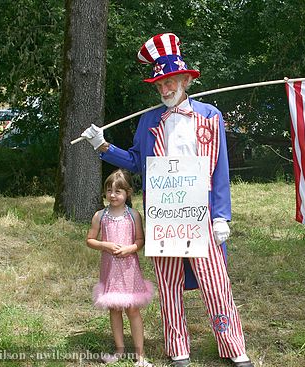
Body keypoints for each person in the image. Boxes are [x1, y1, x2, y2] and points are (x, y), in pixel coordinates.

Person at [81, 33, 254, 367]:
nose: (164, 89)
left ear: (186, 80)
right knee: (169, 285)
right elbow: (135, 161)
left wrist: (221, 216)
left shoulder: (210, 116)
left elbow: (219, 169)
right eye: (159, 84)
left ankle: (233, 346)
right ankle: (178, 349)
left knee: (216, 283)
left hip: (200, 213)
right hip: (164, 217)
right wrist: (103, 146)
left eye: (171, 82)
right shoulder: (148, 122)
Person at [86, 169, 155, 367]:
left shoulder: (134, 215)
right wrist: (104, 245)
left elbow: (140, 240)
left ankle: (140, 355)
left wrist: (130, 248)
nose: (113, 195)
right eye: (109, 191)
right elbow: (90, 240)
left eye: (118, 191)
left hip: (129, 269)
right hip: (110, 271)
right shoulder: (100, 216)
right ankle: (119, 350)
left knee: (133, 309)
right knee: (114, 309)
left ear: (128, 193)